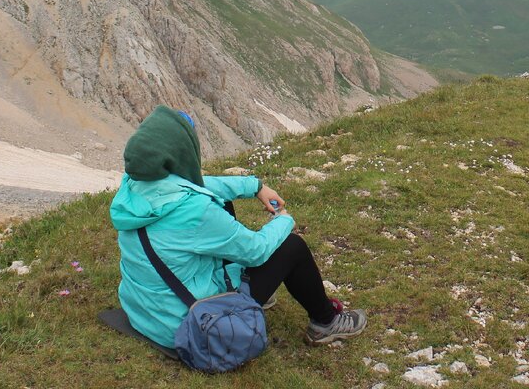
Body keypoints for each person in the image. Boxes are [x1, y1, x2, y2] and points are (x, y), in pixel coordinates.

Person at [109, 105, 368, 348]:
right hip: (188, 322)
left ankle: (258, 294)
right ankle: (326, 322)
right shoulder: (196, 212)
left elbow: (193, 185)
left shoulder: (133, 186)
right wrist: (283, 220)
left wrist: (254, 187)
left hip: (145, 311)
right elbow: (255, 251)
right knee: (291, 248)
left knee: (224, 205)